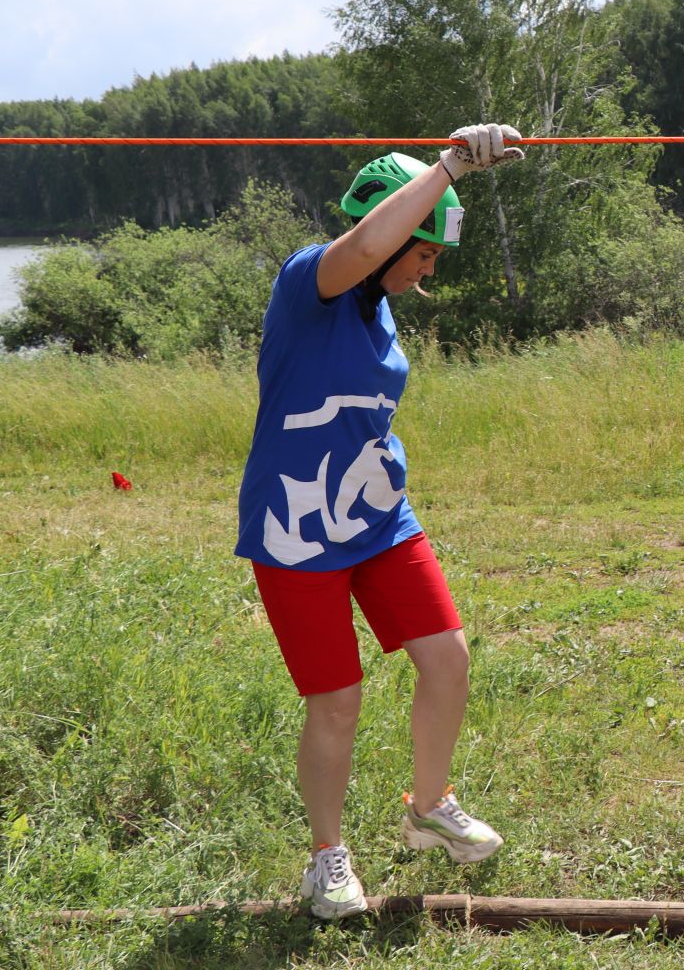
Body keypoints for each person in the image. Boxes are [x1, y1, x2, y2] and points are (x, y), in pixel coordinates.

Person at [236, 124, 522, 919]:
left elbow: (381, 267)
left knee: (448, 659)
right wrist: (451, 166)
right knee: (337, 699)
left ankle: (428, 807)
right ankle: (327, 861)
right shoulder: (310, 281)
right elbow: (362, 251)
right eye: (423, 253)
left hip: (377, 515)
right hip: (298, 531)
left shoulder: (381, 310)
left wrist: (448, 184)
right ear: (388, 227)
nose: (428, 268)